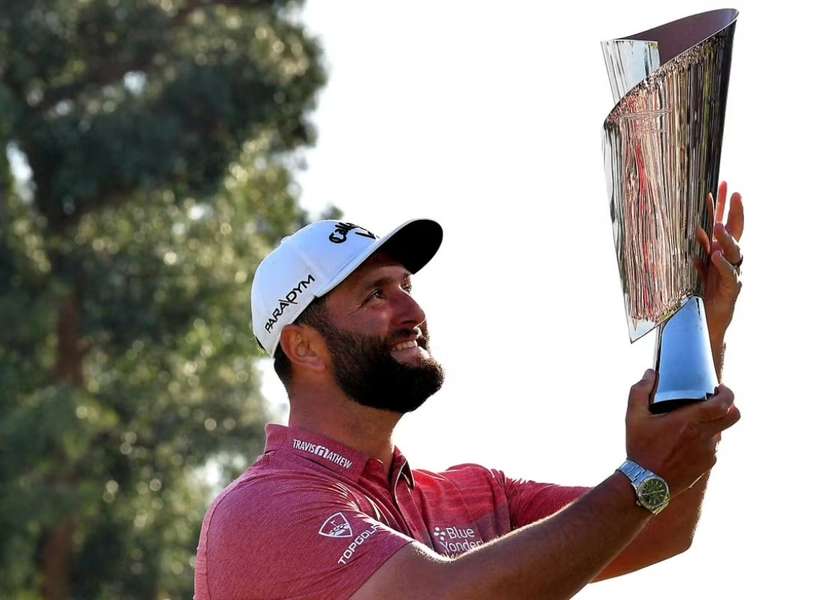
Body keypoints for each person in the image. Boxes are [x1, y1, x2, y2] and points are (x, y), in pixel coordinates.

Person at [193, 184, 744, 599]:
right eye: (375, 296)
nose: (413, 312)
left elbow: (660, 525)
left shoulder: (476, 496)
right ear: (304, 347)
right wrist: (643, 478)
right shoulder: (259, 511)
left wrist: (694, 328)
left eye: (407, 287)